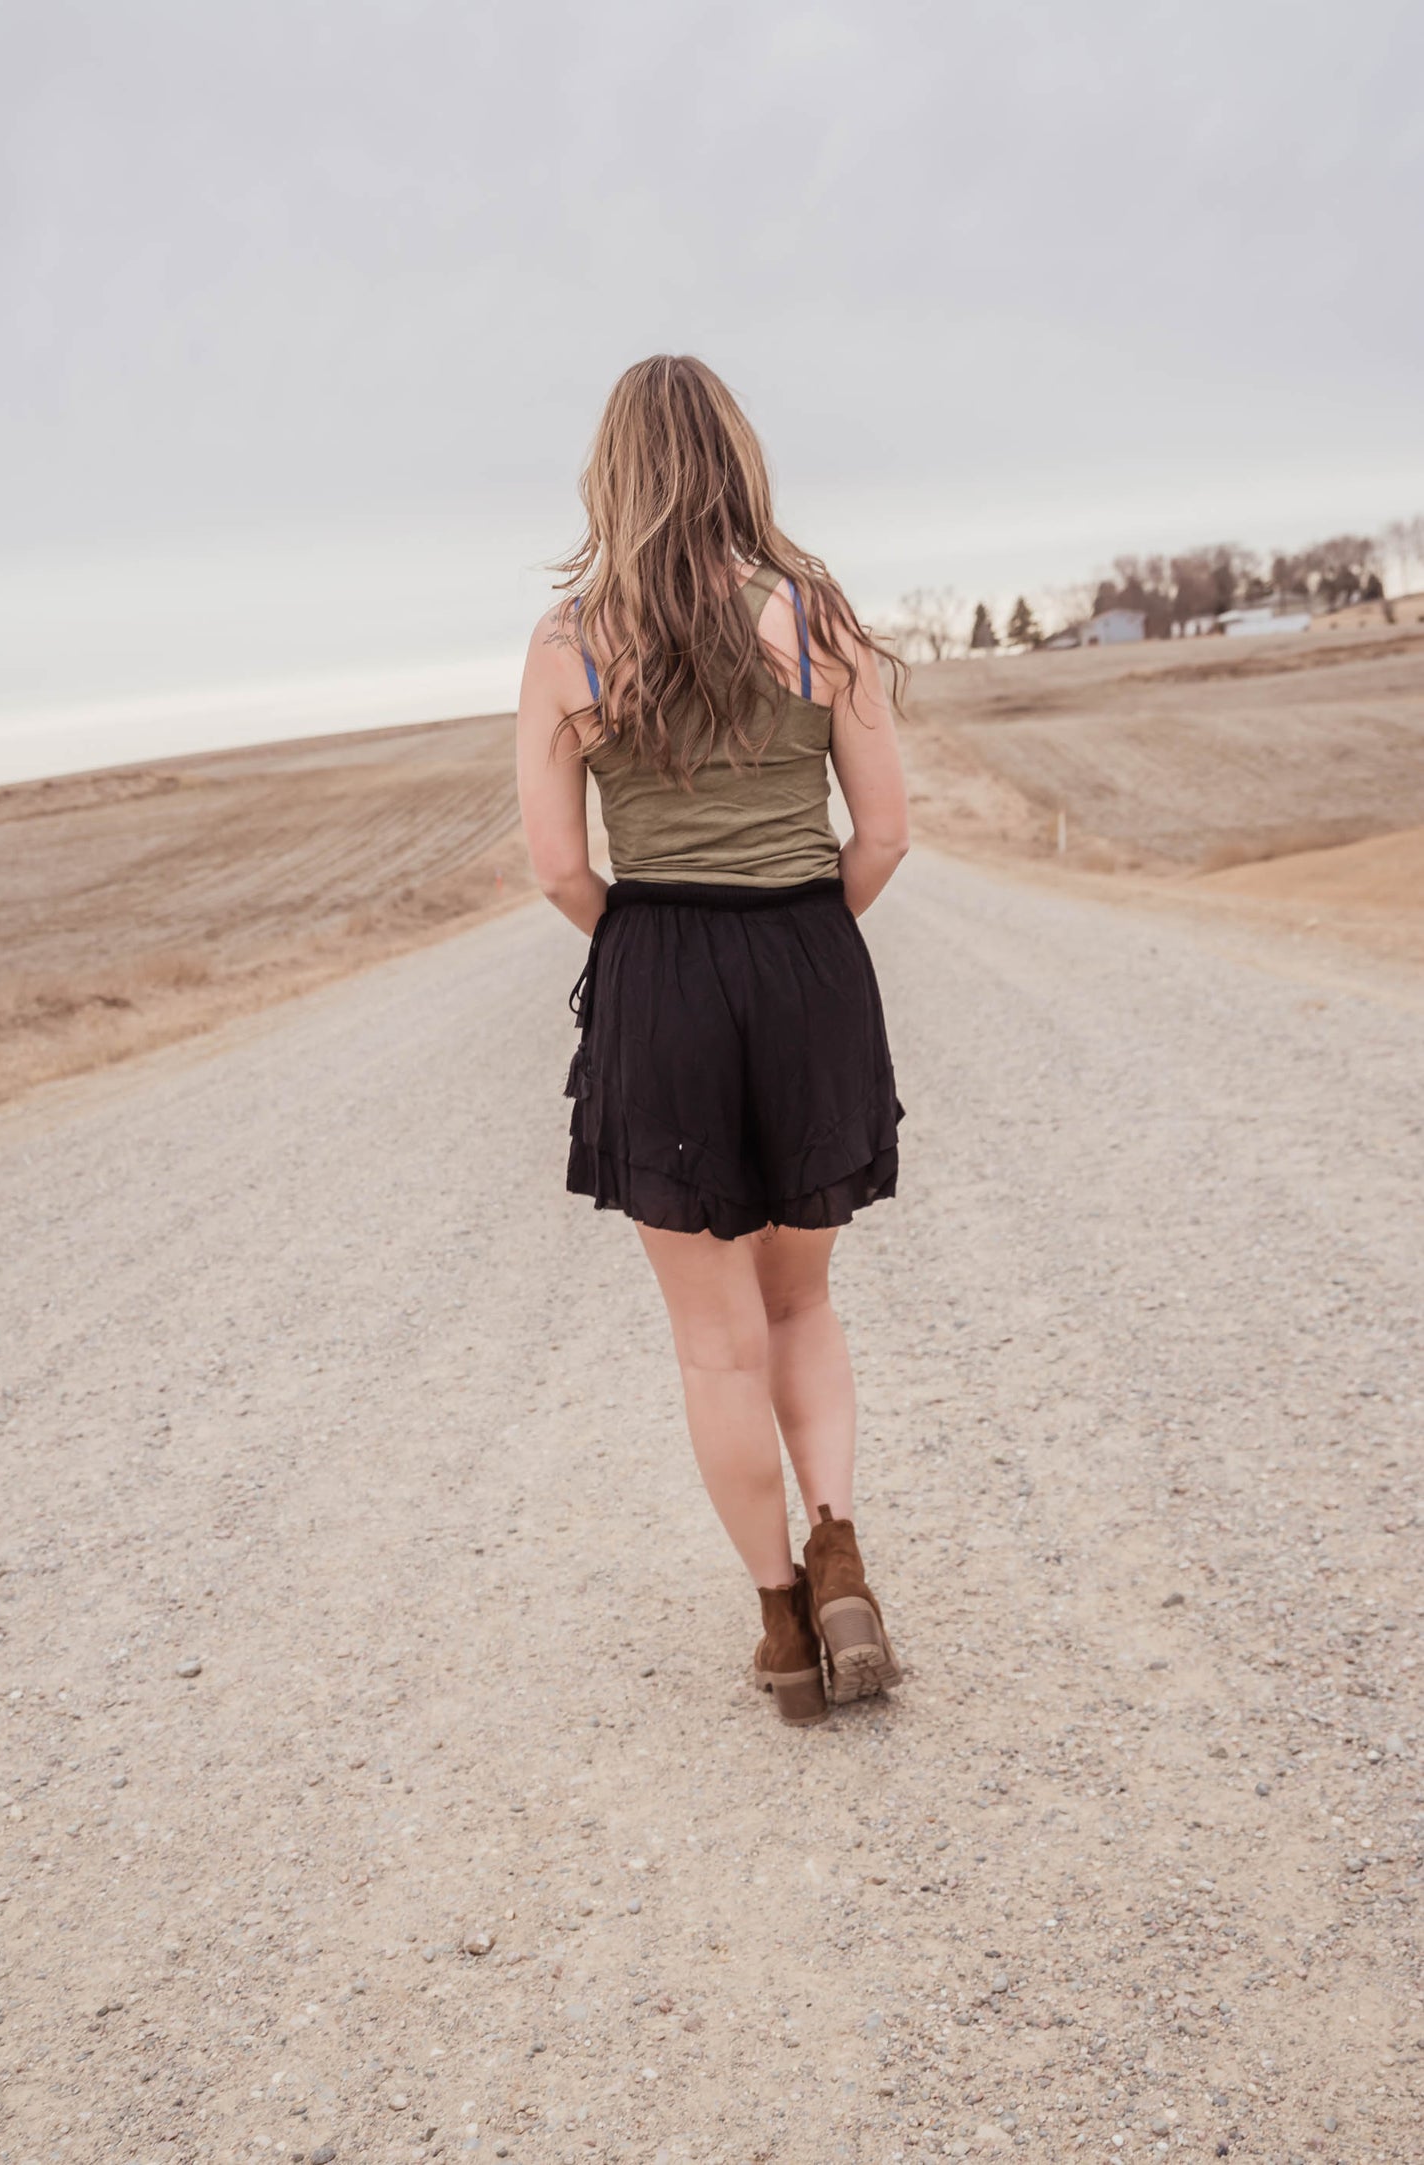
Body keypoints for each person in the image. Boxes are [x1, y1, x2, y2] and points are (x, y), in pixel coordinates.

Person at [515, 355, 909, 1727]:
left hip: (660, 970)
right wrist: (798, 940)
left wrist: (656, 955)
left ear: (612, 474)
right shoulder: (819, 616)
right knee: (803, 1304)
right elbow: (884, 835)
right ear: (736, 459)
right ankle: (840, 1550)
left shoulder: (568, 642)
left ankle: (784, 1629)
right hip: (807, 955)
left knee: (716, 1344)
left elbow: (558, 868)